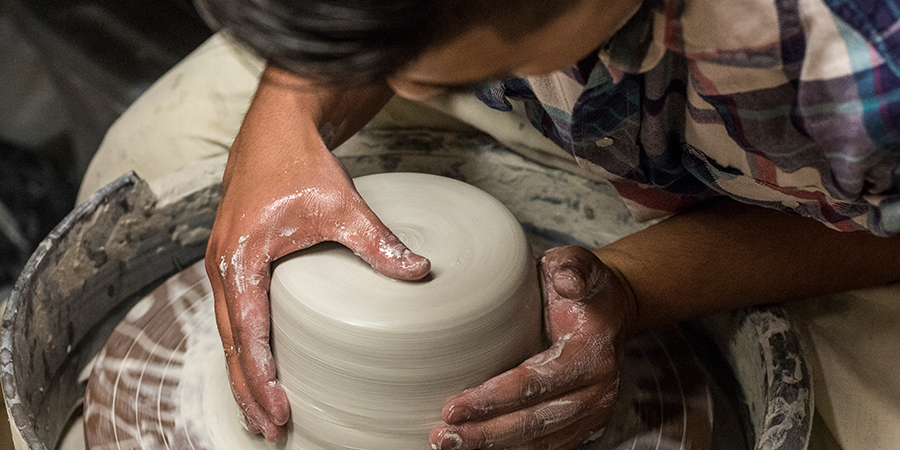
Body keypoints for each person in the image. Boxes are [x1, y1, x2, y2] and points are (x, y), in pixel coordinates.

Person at [77, 0, 900, 448]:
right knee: (155, 151)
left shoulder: (851, 61)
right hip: (522, 83)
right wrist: (288, 118)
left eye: (415, 72)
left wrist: (634, 292)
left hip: (802, 207)